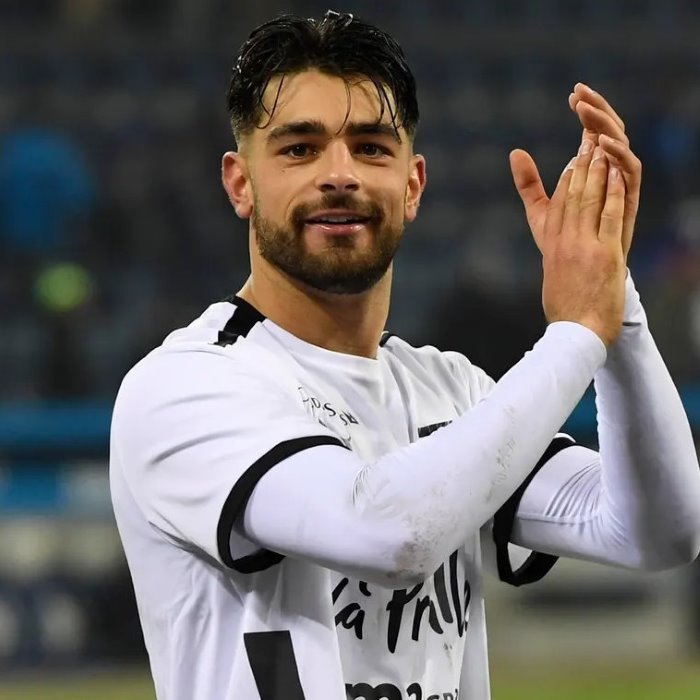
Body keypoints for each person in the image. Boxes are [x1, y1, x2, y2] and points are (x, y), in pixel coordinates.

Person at [109, 10, 700, 700]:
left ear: (413, 185)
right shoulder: (185, 386)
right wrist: (575, 336)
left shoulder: (449, 390)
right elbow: (392, 535)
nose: (339, 174)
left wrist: (614, 302)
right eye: (299, 149)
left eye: (370, 147)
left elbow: (660, 532)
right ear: (241, 183)